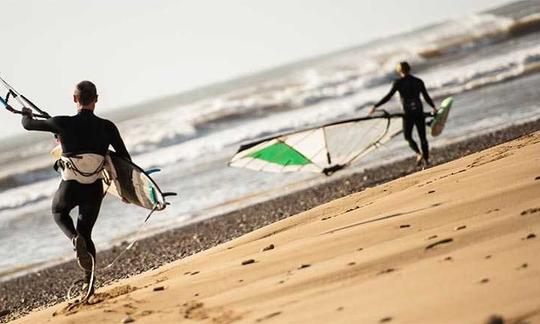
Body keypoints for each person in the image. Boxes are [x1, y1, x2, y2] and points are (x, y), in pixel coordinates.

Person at [21, 81, 130, 293]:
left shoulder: (62, 123)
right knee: (87, 232)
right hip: (94, 188)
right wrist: (125, 189)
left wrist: (26, 114)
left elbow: (27, 125)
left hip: (71, 186)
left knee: (58, 211)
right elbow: (124, 159)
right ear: (96, 99)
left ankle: (73, 238)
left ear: (74, 99)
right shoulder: (108, 127)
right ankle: (90, 282)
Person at [369, 61, 437, 165]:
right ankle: (427, 160)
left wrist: (376, 106)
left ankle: (418, 153)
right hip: (419, 111)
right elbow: (426, 96)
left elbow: (388, 96)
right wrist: (433, 107)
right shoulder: (418, 81)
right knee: (423, 137)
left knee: (407, 136)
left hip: (408, 113)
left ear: (399, 71)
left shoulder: (398, 83)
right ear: (409, 69)